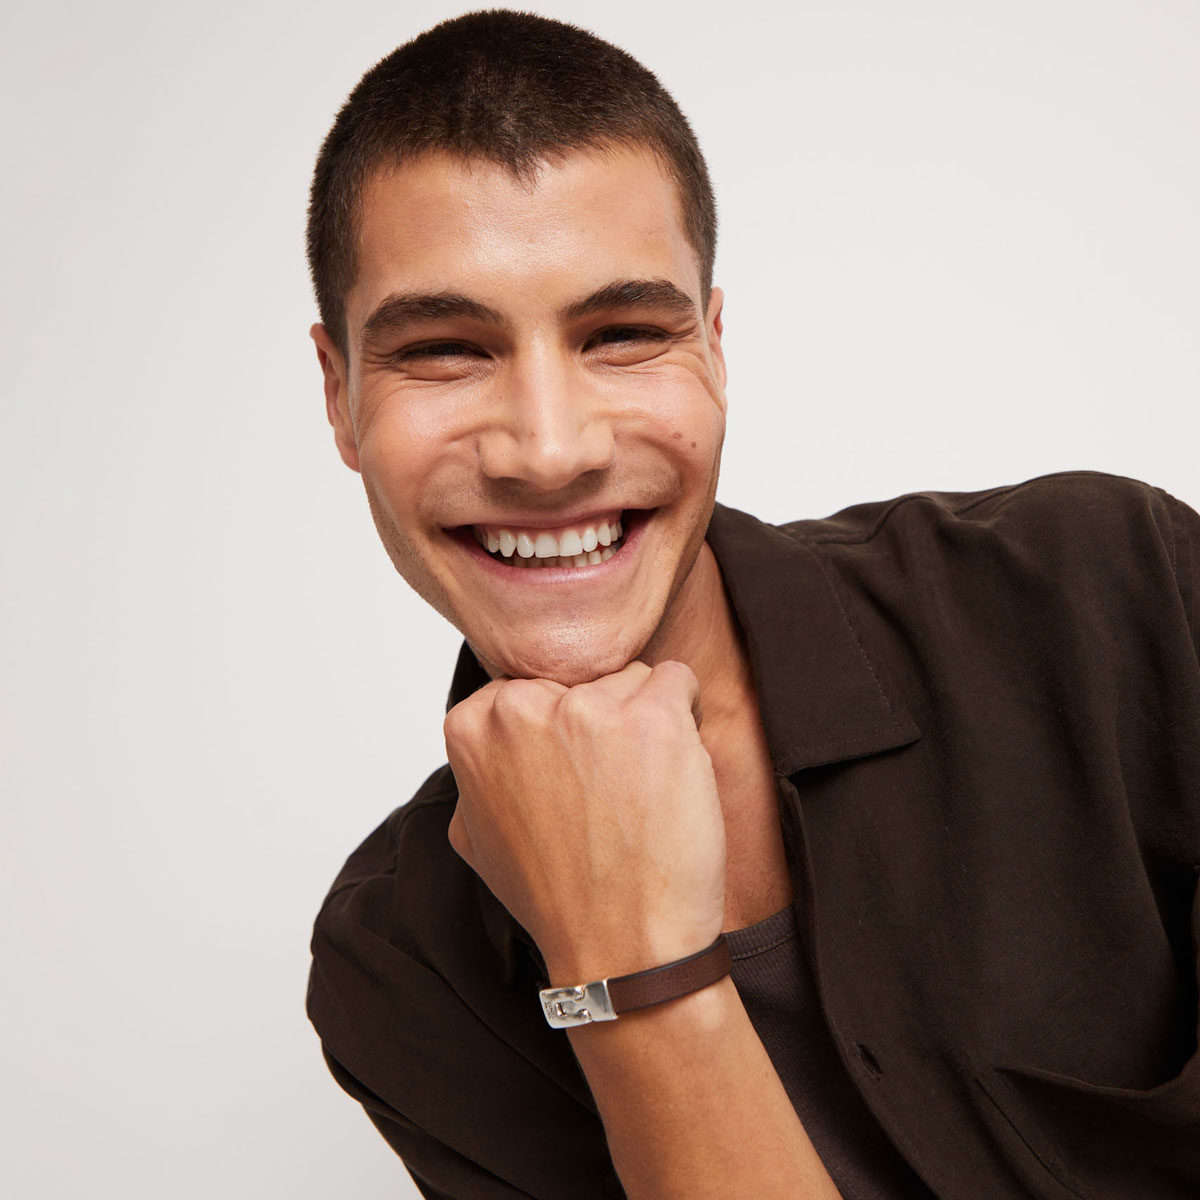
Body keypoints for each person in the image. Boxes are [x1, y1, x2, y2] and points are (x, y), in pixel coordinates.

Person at [305, 11, 1200, 1199]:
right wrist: (625, 966)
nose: (550, 449)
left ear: (714, 350)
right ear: (339, 395)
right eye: (444, 351)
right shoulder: (401, 966)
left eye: (624, 334)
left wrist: (622, 968)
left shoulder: (1112, 596)